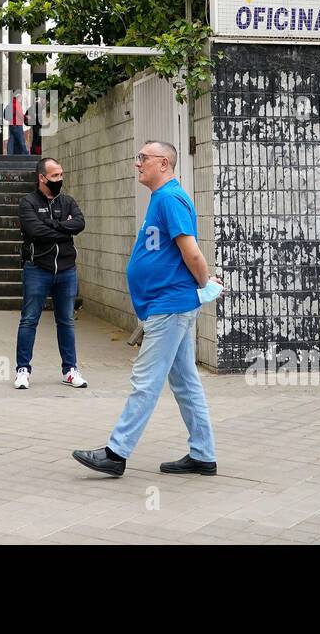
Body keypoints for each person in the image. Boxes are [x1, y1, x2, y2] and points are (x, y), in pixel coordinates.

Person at [72, 140, 219, 477]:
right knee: (185, 382)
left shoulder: (170, 198)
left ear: (164, 163)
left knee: (145, 379)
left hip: (171, 305)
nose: (138, 163)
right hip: (166, 304)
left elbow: (191, 252)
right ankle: (203, 454)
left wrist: (204, 283)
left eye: (144, 158)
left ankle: (116, 453)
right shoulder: (161, 198)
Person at [15, 157, 87, 389]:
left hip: (67, 269)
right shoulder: (28, 203)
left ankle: (70, 370)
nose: (60, 179)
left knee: (66, 321)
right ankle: (23, 370)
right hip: (38, 268)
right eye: (55, 176)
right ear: (42, 178)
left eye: (61, 175)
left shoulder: (68, 201)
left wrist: (52, 226)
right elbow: (35, 231)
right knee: (29, 320)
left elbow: (79, 224)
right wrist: (62, 228)